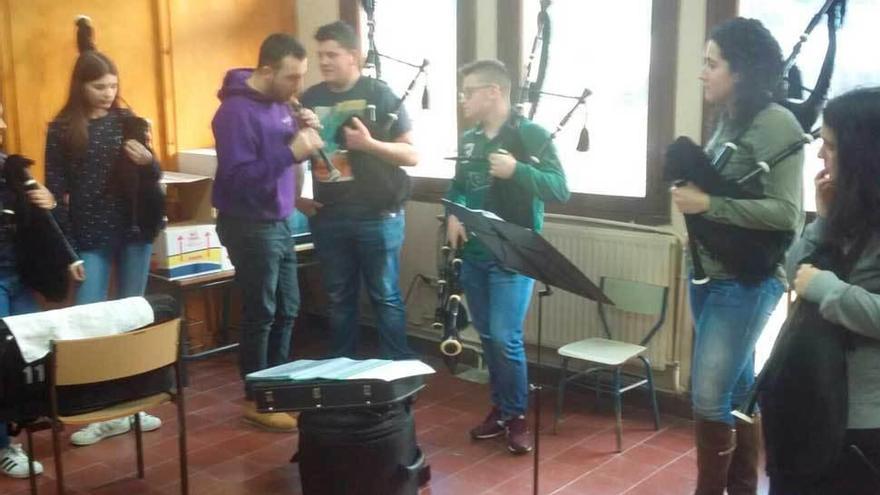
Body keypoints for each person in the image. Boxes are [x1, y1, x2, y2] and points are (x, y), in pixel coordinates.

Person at [669, 18, 804, 494]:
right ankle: (743, 488)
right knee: (737, 394)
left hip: (744, 284)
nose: (702, 74)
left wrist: (709, 204)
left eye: (711, 64)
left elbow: (788, 215)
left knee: (708, 398)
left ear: (741, 71)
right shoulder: (729, 117)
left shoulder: (775, 123)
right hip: (709, 276)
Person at [45, 17, 163, 447]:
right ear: (81, 87)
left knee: (132, 316)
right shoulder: (60, 129)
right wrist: (67, 249)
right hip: (89, 233)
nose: (108, 94)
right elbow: (54, 193)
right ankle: (93, 410)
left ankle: (131, 405)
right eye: (99, 87)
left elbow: (156, 176)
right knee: (88, 319)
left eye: (113, 86)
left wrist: (148, 161)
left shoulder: (128, 121)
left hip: (134, 229)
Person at [445, 60, 570, 455]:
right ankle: (499, 409)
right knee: (486, 336)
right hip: (476, 253)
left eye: (469, 92)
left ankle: (516, 416)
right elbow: (459, 185)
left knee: (505, 336)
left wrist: (517, 170)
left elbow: (560, 189)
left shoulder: (530, 135)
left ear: (493, 92)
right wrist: (454, 211)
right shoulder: (469, 140)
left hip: (516, 253)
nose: (463, 100)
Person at [767, 87, 880, 494]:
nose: (819, 155)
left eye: (829, 145)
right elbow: (793, 272)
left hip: (861, 420)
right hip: (810, 394)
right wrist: (823, 220)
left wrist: (828, 290)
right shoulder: (850, 208)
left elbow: (814, 284)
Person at [212, 33, 323, 432]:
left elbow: (280, 152)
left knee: (288, 308)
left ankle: (278, 388)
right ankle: (257, 398)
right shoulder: (233, 113)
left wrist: (300, 126)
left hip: (279, 220)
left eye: (301, 77)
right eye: (292, 78)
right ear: (266, 71)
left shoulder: (279, 103)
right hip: (247, 223)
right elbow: (240, 178)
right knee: (261, 312)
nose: (298, 87)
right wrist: (291, 151)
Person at [299, 21, 418, 359]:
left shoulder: (379, 94)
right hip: (328, 215)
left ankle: (398, 369)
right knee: (338, 298)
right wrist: (296, 197)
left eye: (332, 54)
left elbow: (411, 155)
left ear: (354, 56)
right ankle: (342, 371)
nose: (323, 62)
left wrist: (368, 145)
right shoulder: (311, 98)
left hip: (376, 216)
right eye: (320, 55)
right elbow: (296, 152)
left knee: (385, 296)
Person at [0, 102, 55, 479]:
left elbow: (34, 220)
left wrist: (45, 200)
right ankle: (3, 446)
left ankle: (20, 424)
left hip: (16, 276)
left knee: (32, 348)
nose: (3, 124)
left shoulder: (9, 168)